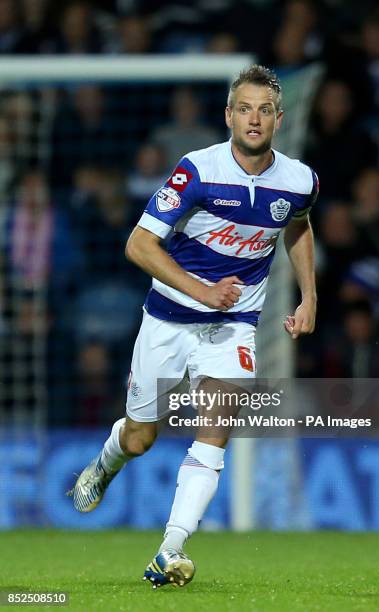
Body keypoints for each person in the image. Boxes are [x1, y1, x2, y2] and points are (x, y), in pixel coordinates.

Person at [69, 65, 318, 588]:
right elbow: (138, 244)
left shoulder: (299, 180)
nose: (254, 118)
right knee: (140, 438)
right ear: (229, 115)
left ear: (278, 118)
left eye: (265, 109)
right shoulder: (196, 171)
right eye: (244, 108)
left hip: (235, 324)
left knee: (216, 429)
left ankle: (170, 548)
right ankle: (107, 461)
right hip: (169, 320)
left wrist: (309, 295)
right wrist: (201, 290)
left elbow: (297, 225)